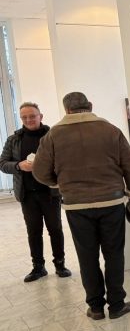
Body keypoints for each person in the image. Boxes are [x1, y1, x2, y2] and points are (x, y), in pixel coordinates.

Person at [33, 92, 130, 320]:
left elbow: (39, 172)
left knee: (87, 255)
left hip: (76, 205)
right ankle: (117, 305)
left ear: (66, 109)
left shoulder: (53, 136)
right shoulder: (110, 130)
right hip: (111, 201)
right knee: (114, 254)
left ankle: (96, 307)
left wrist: (60, 183)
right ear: (90, 105)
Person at [0, 102, 72, 282]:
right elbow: (2, 163)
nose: (29, 120)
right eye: (24, 117)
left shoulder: (53, 135)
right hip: (27, 194)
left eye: (32, 116)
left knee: (55, 229)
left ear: (41, 116)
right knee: (33, 231)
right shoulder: (14, 140)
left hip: (50, 193)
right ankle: (38, 267)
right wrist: (19, 165)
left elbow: (65, 161)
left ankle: (60, 264)